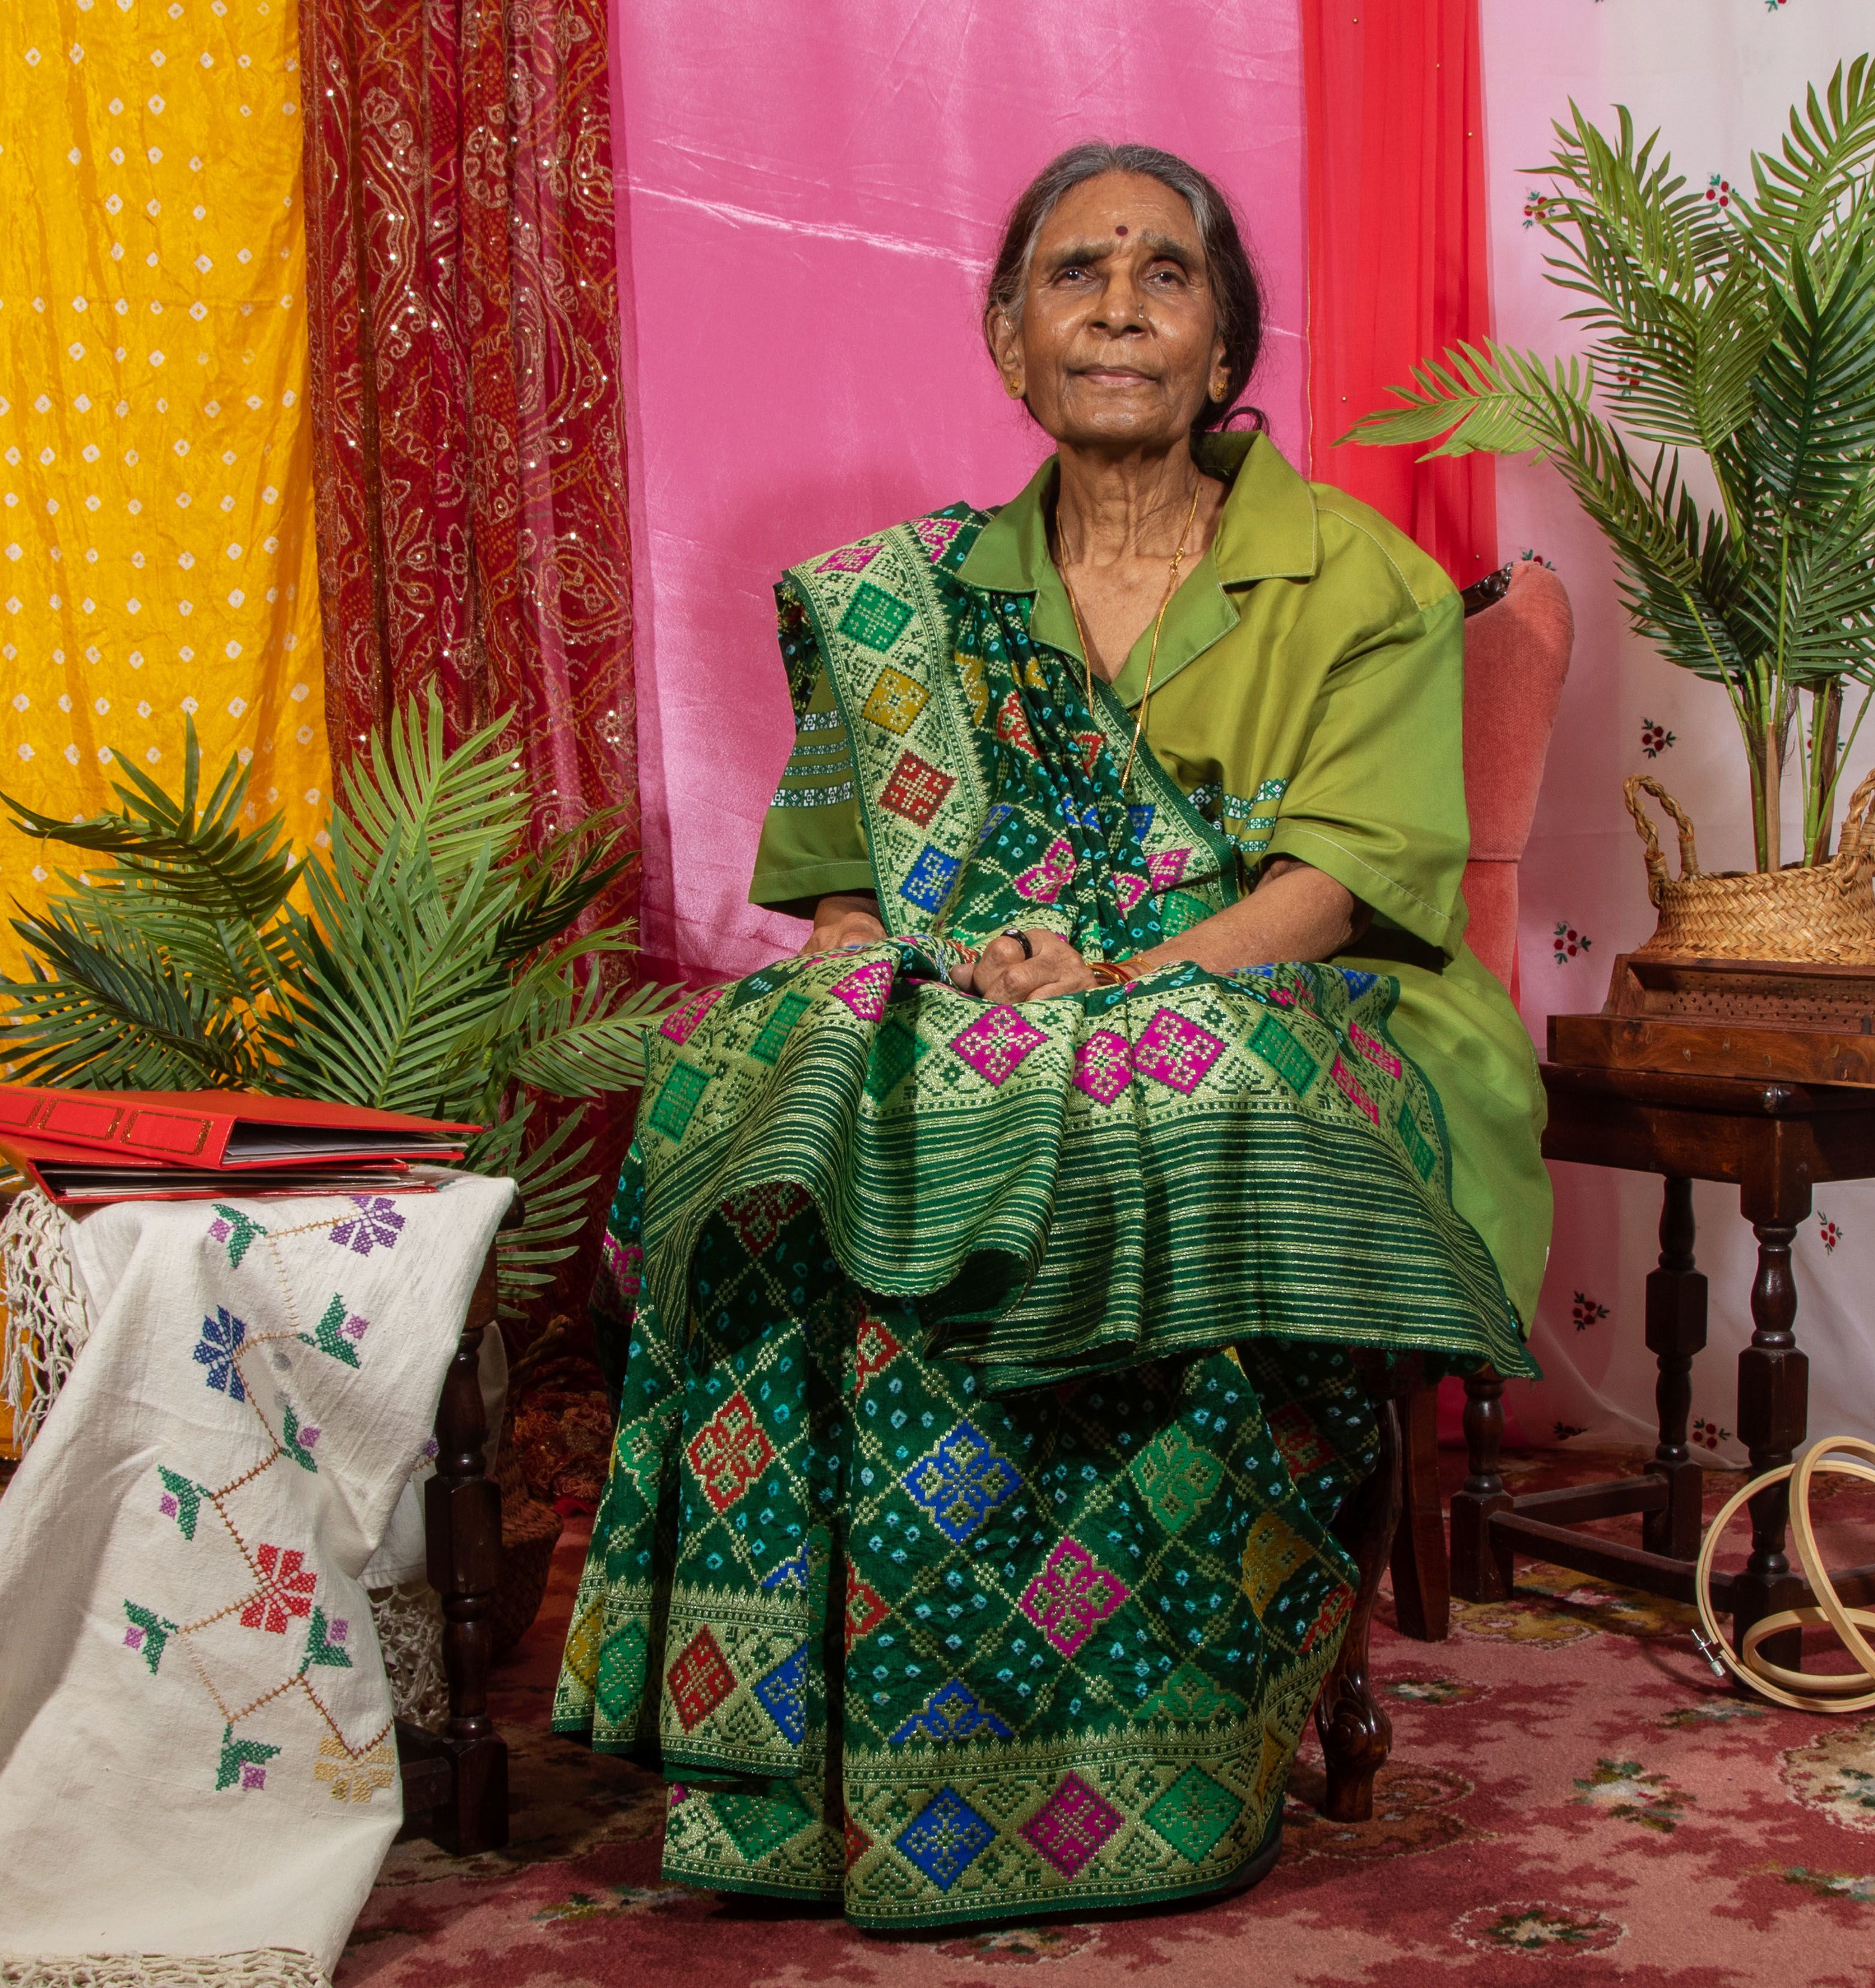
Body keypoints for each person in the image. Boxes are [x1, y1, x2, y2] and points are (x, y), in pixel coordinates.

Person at [553, 140, 1551, 1931]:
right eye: (1071, 273)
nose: (1114, 304)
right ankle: (837, 1742)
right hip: (986, 995)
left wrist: (1113, 984)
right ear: (1009, 343)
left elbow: (1332, 885)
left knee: (1172, 1090)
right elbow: (851, 897)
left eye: (1164, 273)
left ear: (1226, 345)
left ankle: (1179, 1720)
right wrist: (917, 985)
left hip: (1295, 999)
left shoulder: (1360, 582)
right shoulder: (904, 606)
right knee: (805, 1074)